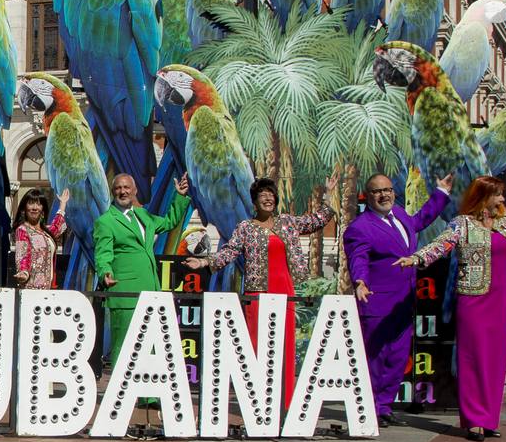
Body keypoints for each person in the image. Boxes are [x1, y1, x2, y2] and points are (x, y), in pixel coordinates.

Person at [398, 176, 506, 441]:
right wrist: (416, 258)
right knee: (472, 358)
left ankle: (489, 418)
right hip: (473, 300)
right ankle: (473, 420)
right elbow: (441, 244)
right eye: (499, 195)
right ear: (484, 196)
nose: (503, 200)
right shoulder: (463, 225)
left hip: (500, 302)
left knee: (496, 360)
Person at [186, 175, 336, 409]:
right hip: (258, 294)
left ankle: (283, 404)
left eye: (271, 195)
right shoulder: (245, 228)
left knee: (284, 346)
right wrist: (205, 262)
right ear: (254, 203)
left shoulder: (287, 223)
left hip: (284, 291)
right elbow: (230, 251)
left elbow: (315, 221)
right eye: (262, 195)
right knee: (257, 345)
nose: (268, 198)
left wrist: (327, 195)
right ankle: (257, 404)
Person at [342, 171, 454, 427]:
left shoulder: (400, 215)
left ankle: (384, 405)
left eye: (388, 190)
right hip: (377, 303)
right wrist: (360, 281)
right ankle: (369, 406)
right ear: (367, 196)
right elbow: (357, 258)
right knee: (376, 358)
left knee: (398, 358)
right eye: (377, 191)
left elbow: (421, 220)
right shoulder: (360, 227)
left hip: (403, 302)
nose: (384, 195)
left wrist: (441, 193)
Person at [94, 173, 190, 365]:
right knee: (124, 348)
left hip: (150, 290)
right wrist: (105, 272)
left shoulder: (143, 215)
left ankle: (150, 396)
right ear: (113, 192)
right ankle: (121, 393)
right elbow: (103, 254)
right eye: (118, 188)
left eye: (126, 187)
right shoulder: (105, 221)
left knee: (150, 346)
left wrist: (178, 196)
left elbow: (169, 222)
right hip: (125, 293)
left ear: (135, 190)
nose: (123, 191)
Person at [12, 188, 68, 290]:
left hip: (47, 289)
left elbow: (56, 227)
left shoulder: (45, 232)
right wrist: (23, 272)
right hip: (31, 289)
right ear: (24, 208)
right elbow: (23, 254)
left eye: (38, 204)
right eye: (31, 203)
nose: (34, 207)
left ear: (42, 209)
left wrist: (62, 205)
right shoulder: (23, 230)